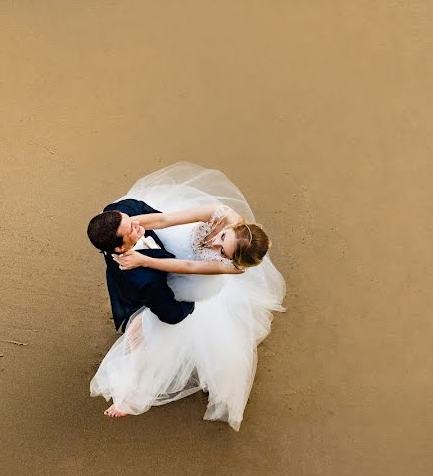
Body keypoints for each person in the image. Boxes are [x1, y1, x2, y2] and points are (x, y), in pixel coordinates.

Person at [87, 162, 286, 430]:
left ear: (232, 260)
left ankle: (134, 392)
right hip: (177, 240)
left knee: (149, 331)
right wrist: (132, 229)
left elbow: (189, 267)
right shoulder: (220, 213)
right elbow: (165, 219)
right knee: (143, 319)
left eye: (223, 251)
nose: (215, 244)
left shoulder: (232, 267)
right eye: (222, 237)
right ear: (233, 227)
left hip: (191, 273)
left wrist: (143, 260)